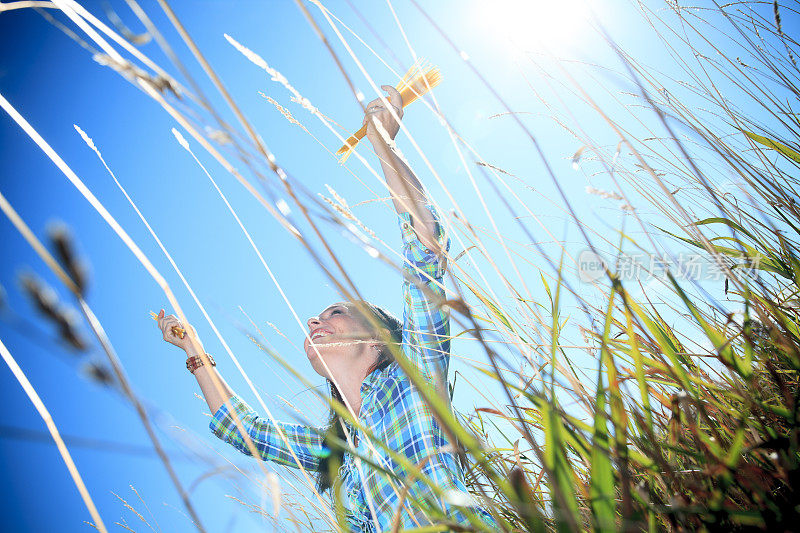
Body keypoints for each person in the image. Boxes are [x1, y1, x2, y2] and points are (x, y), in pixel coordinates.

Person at [156, 86, 496, 532]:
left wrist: (384, 144)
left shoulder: (417, 376)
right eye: (319, 316)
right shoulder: (333, 450)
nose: (315, 321)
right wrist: (192, 347)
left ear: (377, 337)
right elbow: (243, 431)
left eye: (335, 312)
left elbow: (425, 249)